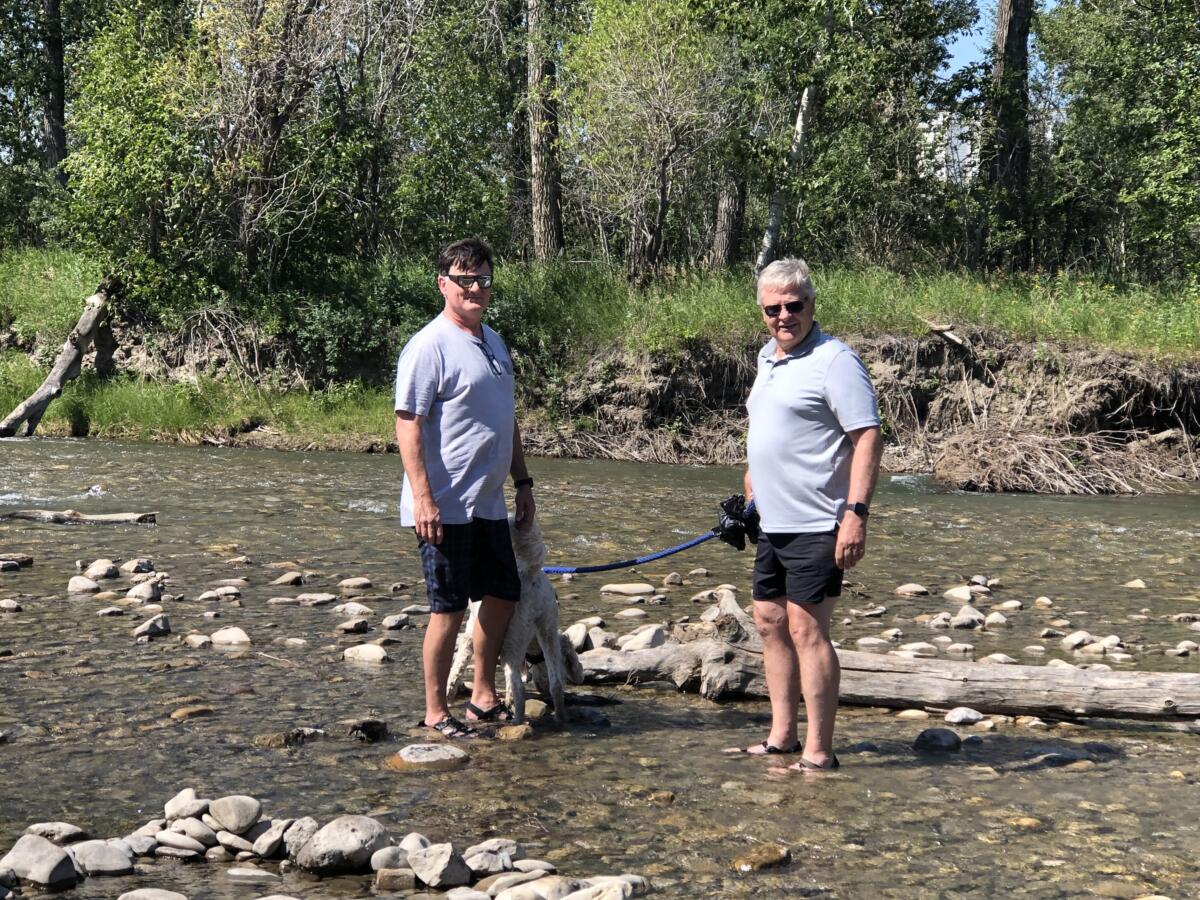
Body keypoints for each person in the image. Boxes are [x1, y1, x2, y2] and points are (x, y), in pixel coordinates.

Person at [725, 257, 882, 771]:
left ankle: (819, 750)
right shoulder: (767, 358)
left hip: (819, 519)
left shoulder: (836, 361)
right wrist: (751, 483)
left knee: (807, 630)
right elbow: (770, 428)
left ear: (813, 303)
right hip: (772, 519)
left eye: (794, 306)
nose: (783, 317)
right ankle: (781, 736)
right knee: (769, 620)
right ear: (761, 310)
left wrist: (855, 514)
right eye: (773, 309)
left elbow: (867, 437)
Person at [394, 237, 536, 739]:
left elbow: (507, 420)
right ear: (444, 284)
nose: (475, 288)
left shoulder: (494, 342)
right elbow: (407, 423)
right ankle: (435, 711)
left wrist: (523, 481)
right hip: (445, 505)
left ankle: (481, 696)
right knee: (448, 608)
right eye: (465, 279)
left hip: (488, 501)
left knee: (502, 593)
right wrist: (424, 498)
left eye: (483, 280)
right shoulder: (428, 345)